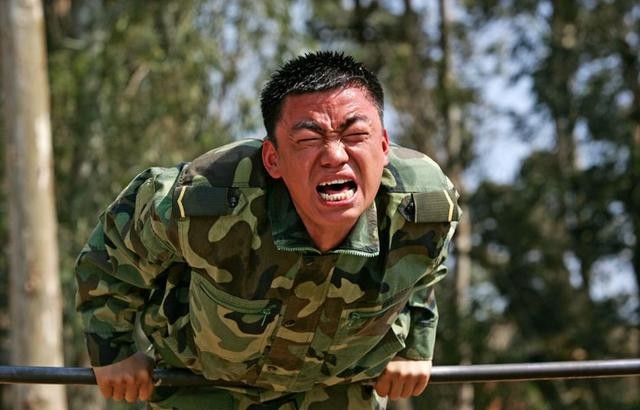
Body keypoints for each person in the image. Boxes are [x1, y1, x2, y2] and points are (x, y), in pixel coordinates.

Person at [75, 51, 461, 410]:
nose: (334, 156)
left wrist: (415, 348)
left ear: (384, 145)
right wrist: (113, 352)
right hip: (204, 384)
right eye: (308, 139)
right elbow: (113, 253)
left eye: (355, 135)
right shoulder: (207, 199)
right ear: (273, 159)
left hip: (337, 386)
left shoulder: (421, 205)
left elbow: (425, 269)